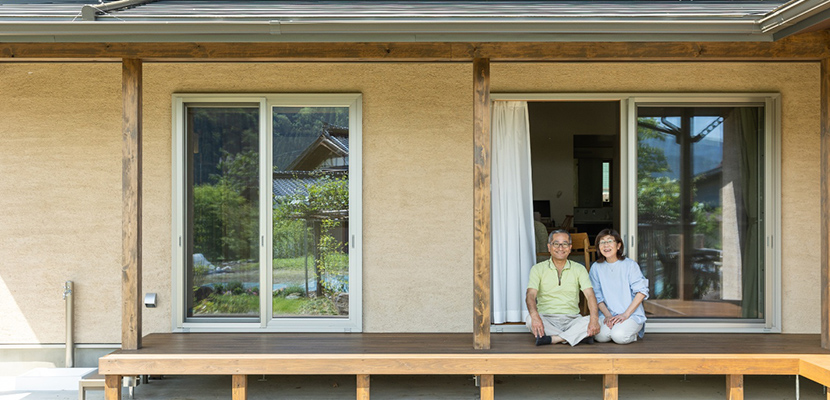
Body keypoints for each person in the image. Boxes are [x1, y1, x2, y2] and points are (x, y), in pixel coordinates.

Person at [526, 229, 600, 346]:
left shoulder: (579, 269)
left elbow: (590, 295)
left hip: (573, 319)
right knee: (530, 320)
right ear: (549, 247)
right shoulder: (537, 269)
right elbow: (530, 295)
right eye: (556, 244)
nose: (561, 248)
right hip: (546, 318)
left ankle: (554, 339)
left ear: (570, 247)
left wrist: (594, 319)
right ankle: (576, 336)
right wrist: (535, 316)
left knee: (593, 320)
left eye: (565, 244)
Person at [588, 228, 649, 344]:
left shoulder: (630, 265)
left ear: (618, 245)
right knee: (600, 336)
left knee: (619, 336)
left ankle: (632, 333)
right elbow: (596, 296)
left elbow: (641, 292)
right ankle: (615, 328)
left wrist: (625, 315)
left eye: (610, 241)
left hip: (631, 315)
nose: (606, 245)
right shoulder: (596, 268)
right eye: (602, 242)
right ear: (598, 247)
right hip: (607, 314)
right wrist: (608, 316)